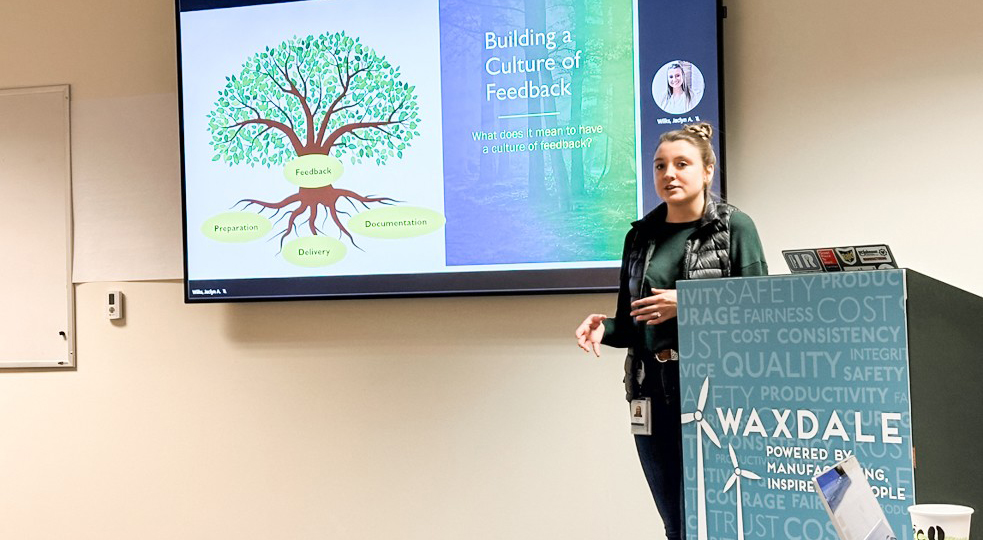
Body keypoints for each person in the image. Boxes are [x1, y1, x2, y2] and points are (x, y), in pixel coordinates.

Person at [574, 123, 766, 540]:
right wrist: (603, 328)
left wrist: (689, 302)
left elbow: (759, 313)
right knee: (676, 524)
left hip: (717, 396)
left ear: (708, 170)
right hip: (650, 392)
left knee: (721, 521)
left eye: (682, 164)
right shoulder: (640, 237)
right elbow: (631, 324)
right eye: (661, 166)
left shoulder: (736, 228)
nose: (669, 174)